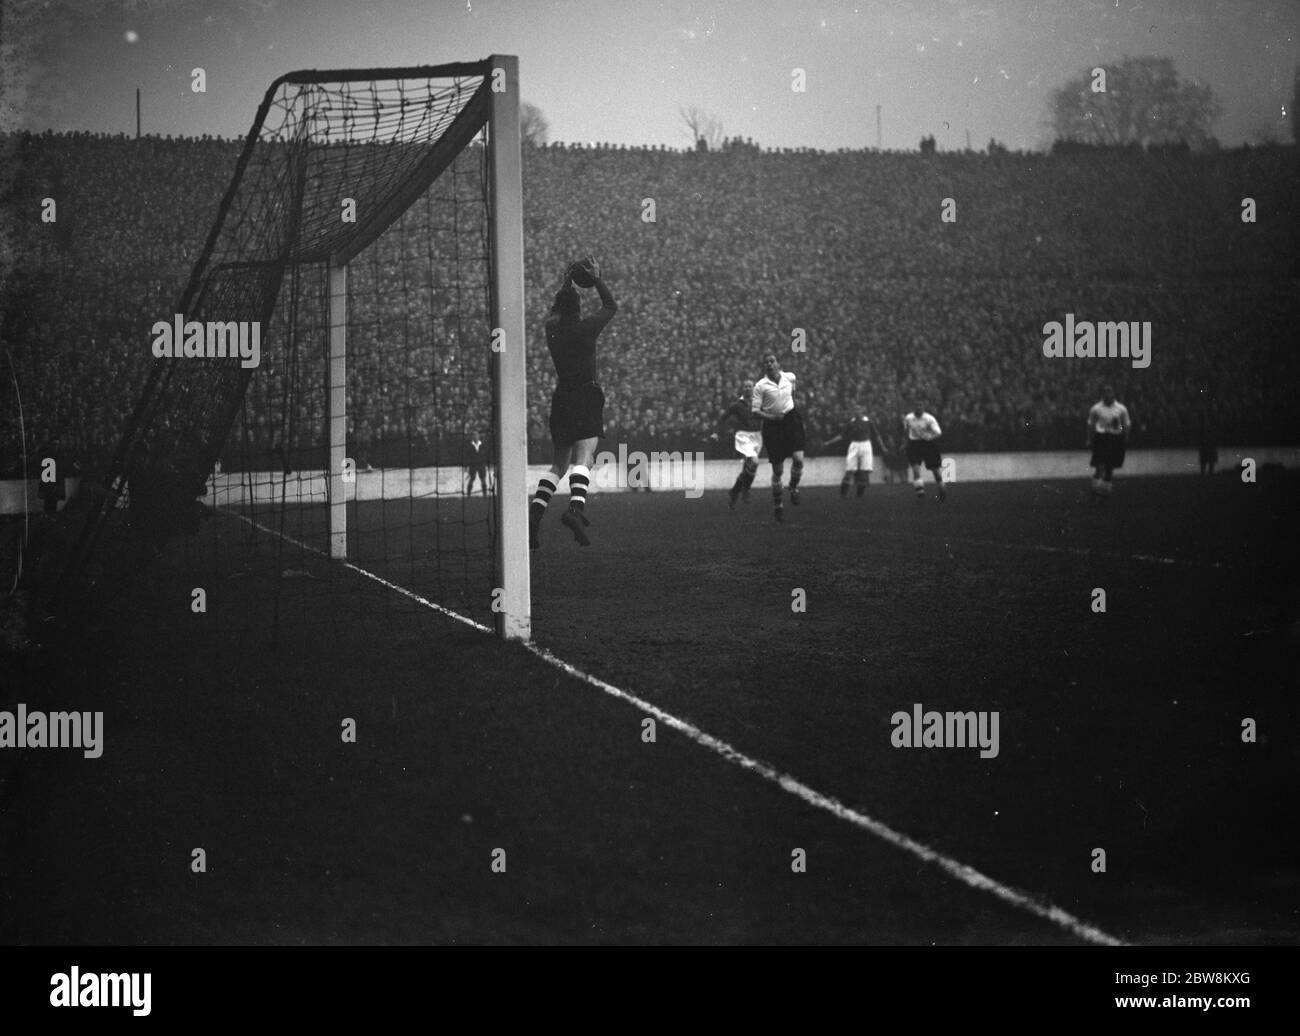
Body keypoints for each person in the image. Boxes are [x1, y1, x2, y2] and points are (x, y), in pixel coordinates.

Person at [529, 257, 617, 548]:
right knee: (585, 458)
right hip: (585, 395)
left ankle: (535, 515)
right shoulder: (586, 328)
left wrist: (568, 280)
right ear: (578, 307)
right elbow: (611, 307)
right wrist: (598, 279)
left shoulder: (552, 329)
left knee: (558, 464)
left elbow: (561, 306)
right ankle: (575, 509)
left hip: (561, 397)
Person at [751, 353, 806, 522]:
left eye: (772, 361)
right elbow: (755, 411)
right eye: (766, 362)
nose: (769, 364)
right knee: (778, 470)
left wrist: (791, 412)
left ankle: (794, 488)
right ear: (764, 366)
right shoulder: (760, 386)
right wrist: (772, 417)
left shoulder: (790, 377)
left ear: (777, 363)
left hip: (790, 420)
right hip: (773, 426)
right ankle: (778, 504)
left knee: (798, 459)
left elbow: (792, 396)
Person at [709, 383, 763, 509]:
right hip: (743, 436)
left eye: (750, 386)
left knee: (748, 470)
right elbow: (723, 418)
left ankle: (734, 494)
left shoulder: (759, 403)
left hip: (757, 437)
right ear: (742, 389)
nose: (748, 388)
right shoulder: (736, 405)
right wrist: (716, 432)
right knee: (754, 462)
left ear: (754, 389)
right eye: (746, 386)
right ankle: (746, 490)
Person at [822, 407, 887, 498]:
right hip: (854, 445)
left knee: (865, 470)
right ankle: (843, 494)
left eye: (859, 410)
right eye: (855, 410)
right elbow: (842, 435)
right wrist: (829, 442)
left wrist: (883, 446)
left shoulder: (868, 422)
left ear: (862, 412)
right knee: (850, 469)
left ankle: (859, 494)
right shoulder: (850, 423)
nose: (857, 412)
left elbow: (877, 435)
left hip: (866, 445)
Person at [1087, 386, 1131, 499]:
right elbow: (1091, 424)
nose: (1108, 395)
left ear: (1114, 394)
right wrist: (1090, 438)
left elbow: (1124, 426)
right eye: (1105, 392)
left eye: (1110, 392)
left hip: (1114, 439)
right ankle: (1095, 491)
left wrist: (1122, 432)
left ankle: (1105, 494)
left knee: (1109, 468)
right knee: (1099, 466)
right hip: (1101, 438)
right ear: (1102, 394)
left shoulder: (1121, 409)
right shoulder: (1096, 408)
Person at [903, 402, 946, 501]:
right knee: (915, 469)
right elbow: (906, 430)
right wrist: (905, 442)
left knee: (935, 471)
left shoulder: (929, 419)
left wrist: (929, 436)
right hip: (914, 444)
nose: (918, 408)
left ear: (923, 408)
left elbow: (939, 432)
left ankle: (942, 488)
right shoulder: (908, 418)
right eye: (916, 406)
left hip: (928, 445)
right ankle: (920, 493)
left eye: (920, 406)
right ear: (913, 408)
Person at [464, 431, 490, 496]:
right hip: (473, 464)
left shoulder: (483, 445)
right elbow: (467, 456)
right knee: (472, 478)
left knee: (483, 479)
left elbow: (486, 454)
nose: (475, 437)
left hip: (481, 464)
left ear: (478, 436)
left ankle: (485, 494)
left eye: (476, 435)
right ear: (472, 437)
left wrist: (486, 463)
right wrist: (467, 465)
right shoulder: (470, 446)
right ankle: (468, 494)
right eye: (474, 436)